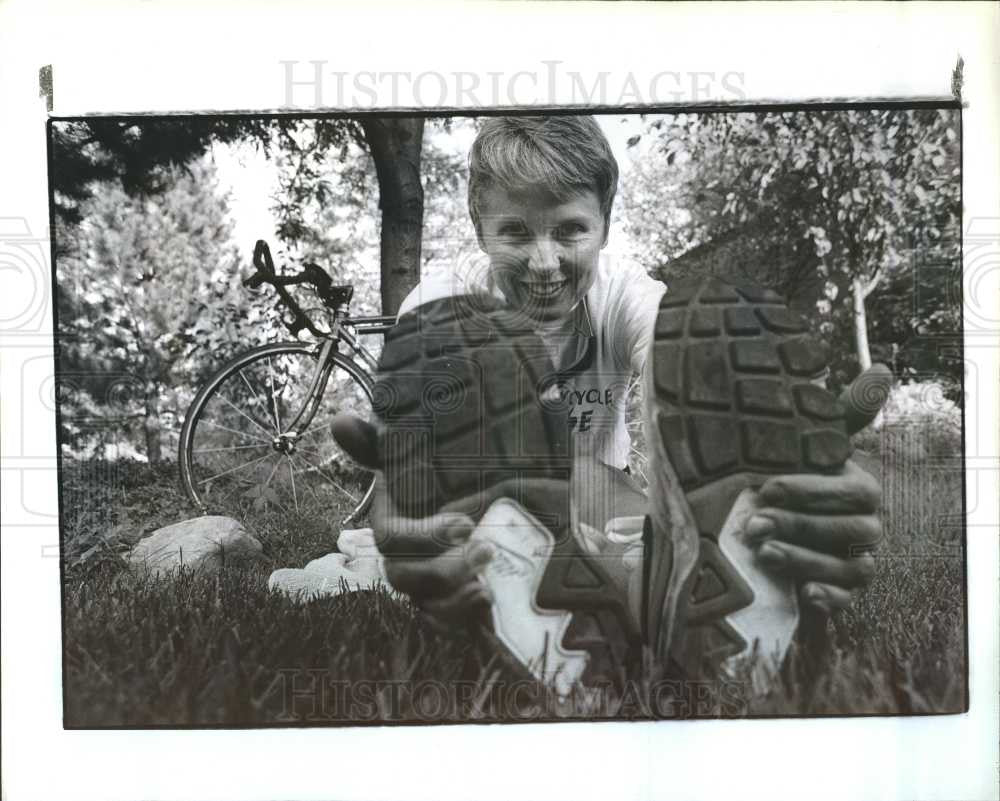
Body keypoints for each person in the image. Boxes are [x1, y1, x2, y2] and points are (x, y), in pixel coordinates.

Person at [332, 115, 882, 683]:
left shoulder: (625, 293)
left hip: (601, 497)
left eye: (570, 231)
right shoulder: (441, 308)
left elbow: (687, 356)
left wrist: (794, 466)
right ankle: (569, 585)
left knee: (621, 518)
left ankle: (686, 579)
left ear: (605, 224)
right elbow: (400, 489)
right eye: (516, 233)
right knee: (502, 490)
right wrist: (406, 530)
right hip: (478, 502)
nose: (544, 264)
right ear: (478, 225)